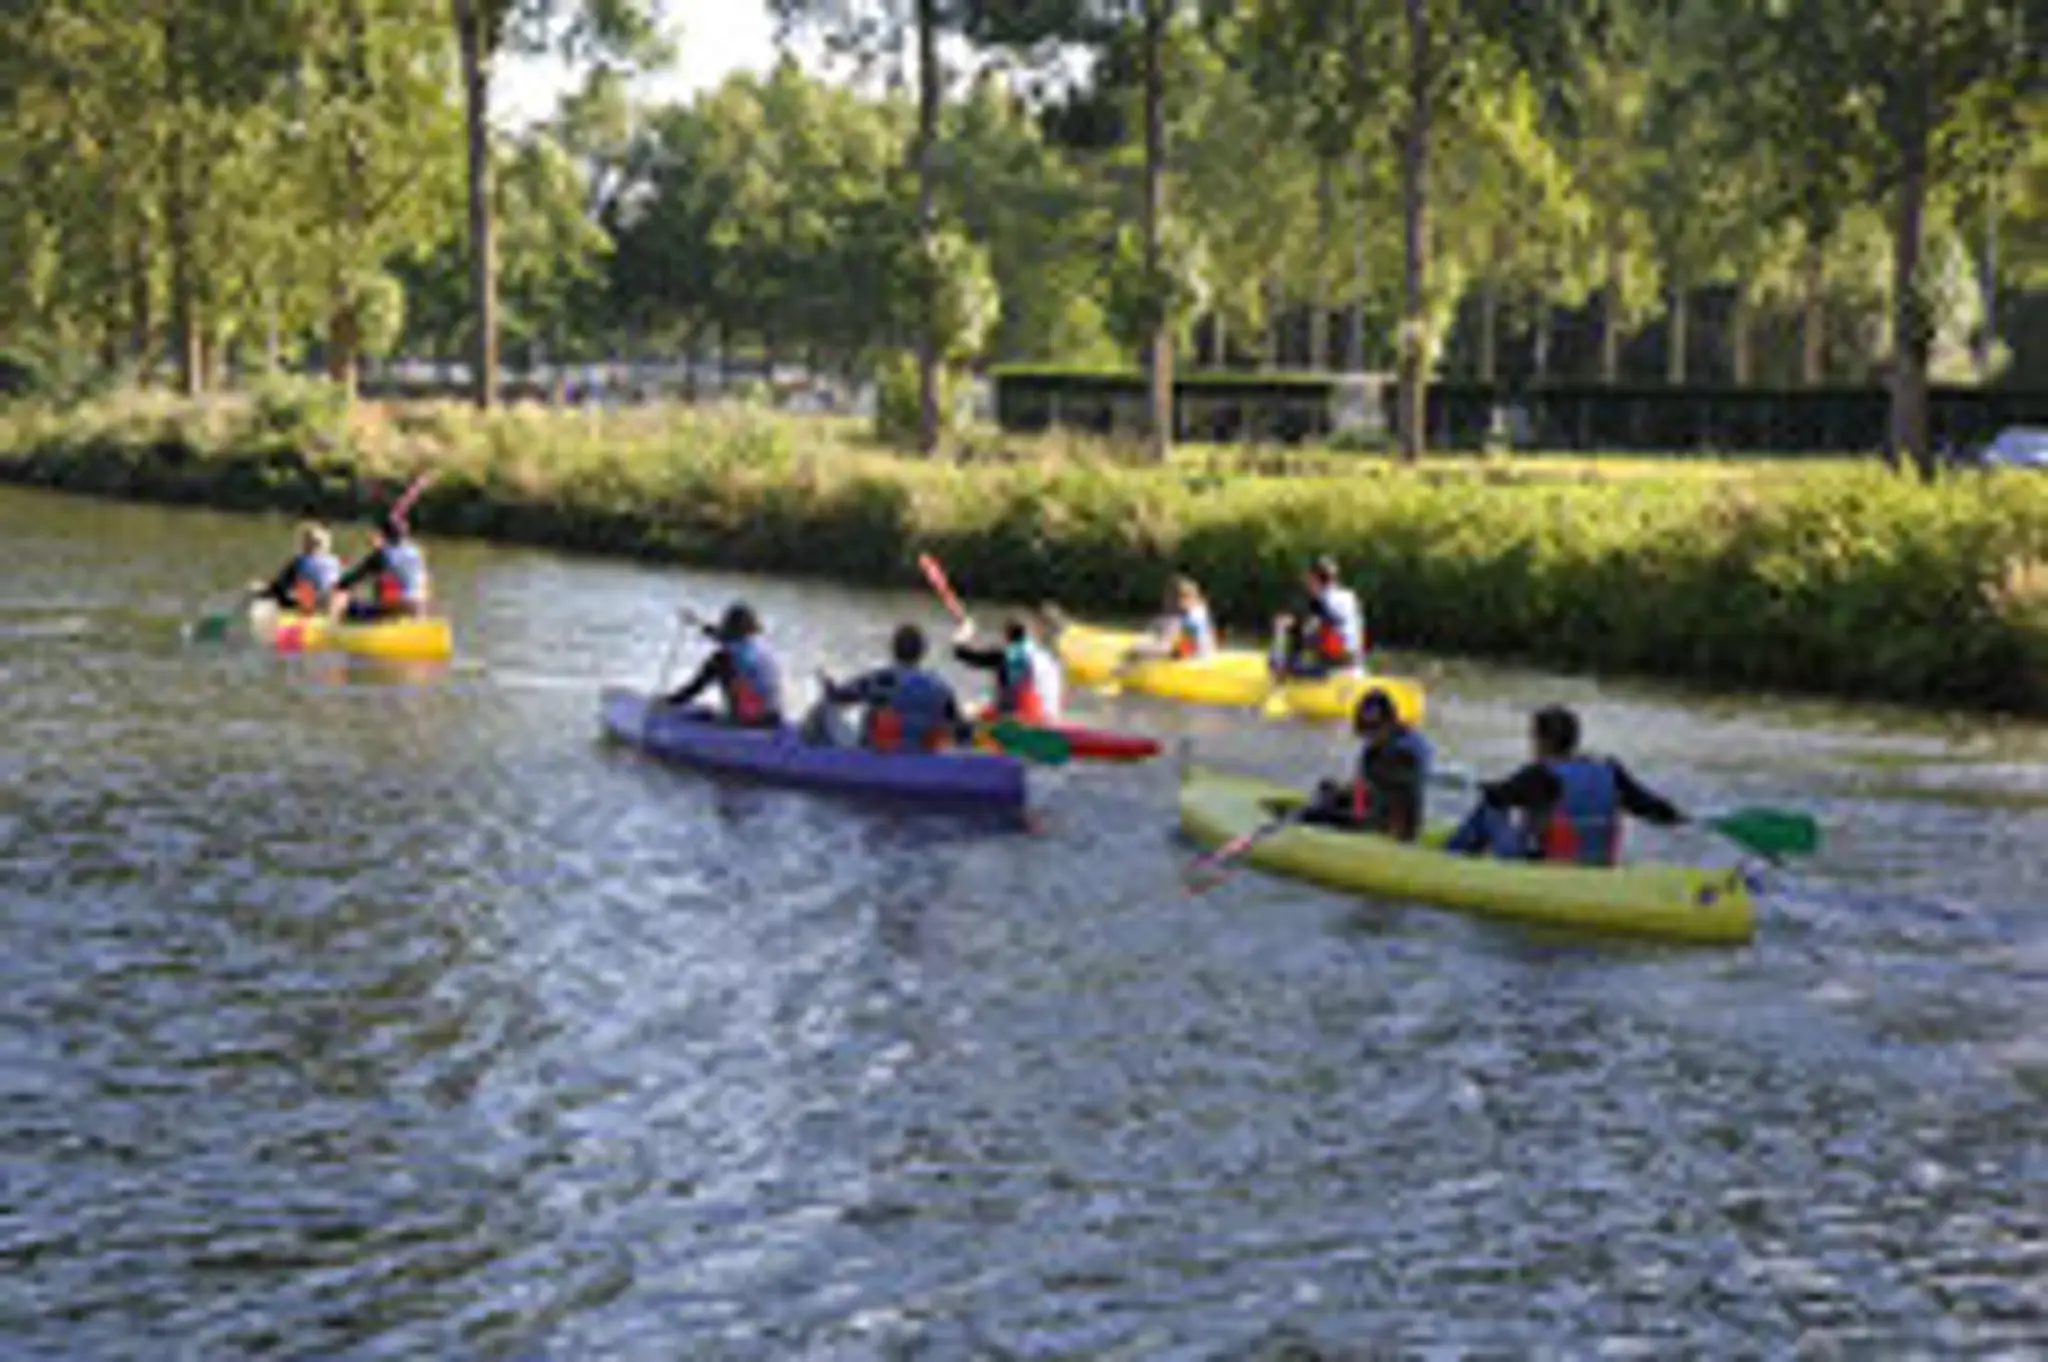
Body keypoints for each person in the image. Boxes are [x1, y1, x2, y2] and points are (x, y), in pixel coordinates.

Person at [1446, 704, 1685, 864]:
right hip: (1599, 865)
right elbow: (1647, 805)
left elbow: (1498, 796)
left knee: (1490, 810)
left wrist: (1480, 786)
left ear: (1544, 741)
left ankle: (1448, 860)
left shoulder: (1540, 774)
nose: (1532, 745)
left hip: (1545, 866)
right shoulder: (1610, 769)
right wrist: (1678, 816)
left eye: (1533, 737)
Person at [1301, 688, 1431, 841]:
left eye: (1371, 731)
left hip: (1387, 830)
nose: (1368, 738)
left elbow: (1383, 802)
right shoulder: (1383, 746)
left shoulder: (1402, 753)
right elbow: (1362, 790)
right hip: (1376, 814)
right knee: (1328, 789)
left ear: (1387, 723)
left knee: (1318, 814)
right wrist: (1339, 794)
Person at [819, 623, 966, 752]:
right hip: (924, 760)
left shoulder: (882, 680)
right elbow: (960, 730)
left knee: (867, 716)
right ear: (922, 652)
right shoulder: (940, 686)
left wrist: (827, 685)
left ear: (893, 649)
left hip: (883, 759)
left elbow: (841, 696)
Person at [660, 602, 783, 727]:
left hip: (755, 717)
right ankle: (737, 714)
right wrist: (696, 622)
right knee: (729, 664)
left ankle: (677, 701)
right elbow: (720, 635)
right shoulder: (760, 643)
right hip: (773, 715)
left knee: (719, 661)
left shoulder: (739, 650)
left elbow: (724, 641)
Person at [953, 613, 1062, 722]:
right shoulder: (1047, 657)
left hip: (1019, 717)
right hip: (1048, 716)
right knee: (987, 701)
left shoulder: (1006, 655)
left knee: (966, 710)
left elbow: (961, 653)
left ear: (1007, 634)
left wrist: (965, 631)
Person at [1272, 555, 1365, 678]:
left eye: (1308, 578)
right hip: (1356, 666)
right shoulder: (1348, 597)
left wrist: (1286, 628)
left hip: (1333, 669)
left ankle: (1282, 672)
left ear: (1314, 579)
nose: (1305, 582)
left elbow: (1316, 629)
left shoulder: (1322, 601)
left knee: (1293, 630)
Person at [333, 513, 429, 621]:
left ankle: (338, 625)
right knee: (385, 584)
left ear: (383, 535)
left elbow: (351, 579)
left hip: (394, 607)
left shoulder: (382, 554)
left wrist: (337, 585)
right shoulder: (417, 552)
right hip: (419, 606)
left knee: (347, 603)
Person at [250, 522, 340, 615]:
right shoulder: (296, 564)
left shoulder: (335, 564)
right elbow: (280, 584)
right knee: (263, 590)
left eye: (317, 543)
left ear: (327, 545)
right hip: (299, 601)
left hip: (323, 602)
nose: (313, 547)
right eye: (309, 543)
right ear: (302, 546)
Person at [1124, 574, 1217, 663]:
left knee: (1136, 651)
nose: (1167, 602)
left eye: (1171, 598)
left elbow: (1185, 649)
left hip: (1194, 661)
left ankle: (1117, 675)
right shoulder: (1198, 610)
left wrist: (1161, 654)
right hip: (1202, 656)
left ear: (1183, 599)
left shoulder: (1192, 618)